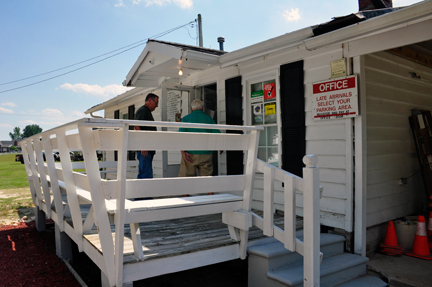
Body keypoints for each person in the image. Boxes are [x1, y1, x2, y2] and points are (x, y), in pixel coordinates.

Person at [178, 99, 221, 191]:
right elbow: (217, 135)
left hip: (190, 154)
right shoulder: (209, 119)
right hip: (206, 154)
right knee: (207, 180)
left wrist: (183, 151)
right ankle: (210, 199)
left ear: (191, 109)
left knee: (186, 179)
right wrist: (220, 148)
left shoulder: (185, 119)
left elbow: (181, 136)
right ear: (202, 108)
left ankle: (186, 200)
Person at [134, 93, 159, 179]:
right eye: (156, 103)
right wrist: (143, 145)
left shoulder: (146, 111)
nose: (157, 106)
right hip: (145, 149)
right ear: (149, 100)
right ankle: (146, 192)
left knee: (143, 173)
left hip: (147, 148)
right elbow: (136, 126)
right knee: (146, 174)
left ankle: (140, 192)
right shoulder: (143, 110)